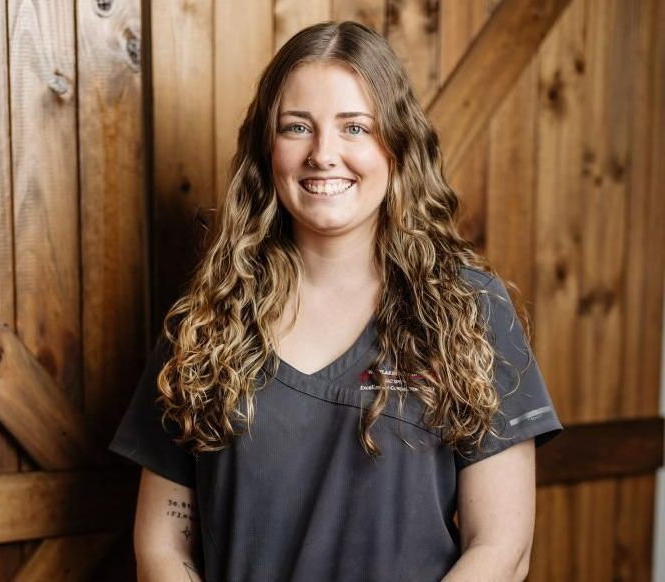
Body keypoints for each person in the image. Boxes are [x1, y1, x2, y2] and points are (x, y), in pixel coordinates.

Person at [108, 20, 563, 582]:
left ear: (396, 145)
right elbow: (161, 546)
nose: (323, 154)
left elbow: (502, 549)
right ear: (266, 147)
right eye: (297, 127)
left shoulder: (471, 308)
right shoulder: (210, 315)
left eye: (356, 128)